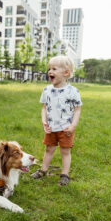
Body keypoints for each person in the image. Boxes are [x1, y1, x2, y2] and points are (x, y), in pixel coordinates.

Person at [31, 56, 82, 186]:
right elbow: (44, 107)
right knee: (49, 149)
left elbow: (77, 110)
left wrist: (73, 126)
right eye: (49, 69)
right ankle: (43, 170)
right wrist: (44, 121)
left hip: (66, 128)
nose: (50, 71)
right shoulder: (47, 90)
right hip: (51, 128)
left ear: (66, 73)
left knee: (65, 151)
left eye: (54, 69)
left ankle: (65, 175)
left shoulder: (72, 91)